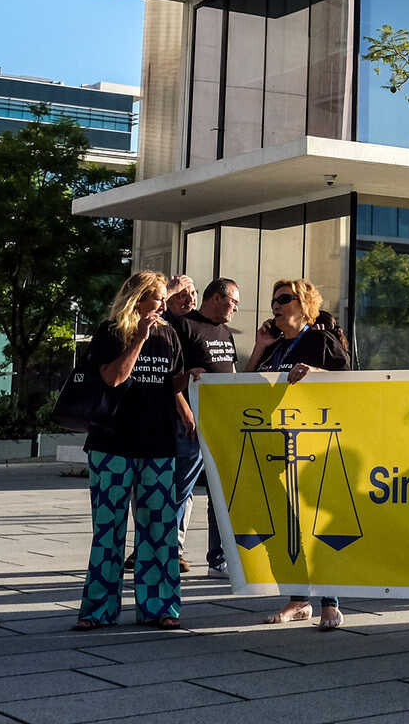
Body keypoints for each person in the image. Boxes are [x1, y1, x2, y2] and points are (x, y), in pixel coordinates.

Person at [75, 270, 189, 631]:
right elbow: (113, 378)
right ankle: (98, 610)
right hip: (112, 445)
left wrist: (188, 407)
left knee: (160, 530)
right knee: (108, 531)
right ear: (138, 299)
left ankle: (160, 607)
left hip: (158, 444)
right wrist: (139, 338)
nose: (162, 303)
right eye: (157, 297)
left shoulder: (169, 333)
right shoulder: (111, 333)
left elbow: (172, 383)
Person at [253, 280, 351, 630]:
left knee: (313, 525)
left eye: (284, 299)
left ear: (304, 304)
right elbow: (245, 388)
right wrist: (259, 347)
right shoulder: (274, 346)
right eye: (273, 300)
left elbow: (351, 383)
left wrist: (317, 373)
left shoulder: (320, 340)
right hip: (274, 445)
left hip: (314, 448)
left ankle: (330, 603)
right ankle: (297, 599)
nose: (276, 306)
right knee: (285, 527)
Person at [172, 276, 241, 577]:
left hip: (220, 422)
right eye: (233, 301)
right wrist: (185, 409)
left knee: (221, 494)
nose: (235, 308)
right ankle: (172, 552)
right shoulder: (185, 325)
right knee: (181, 488)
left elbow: (233, 372)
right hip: (190, 423)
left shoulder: (225, 331)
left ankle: (219, 559)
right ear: (216, 298)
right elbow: (172, 373)